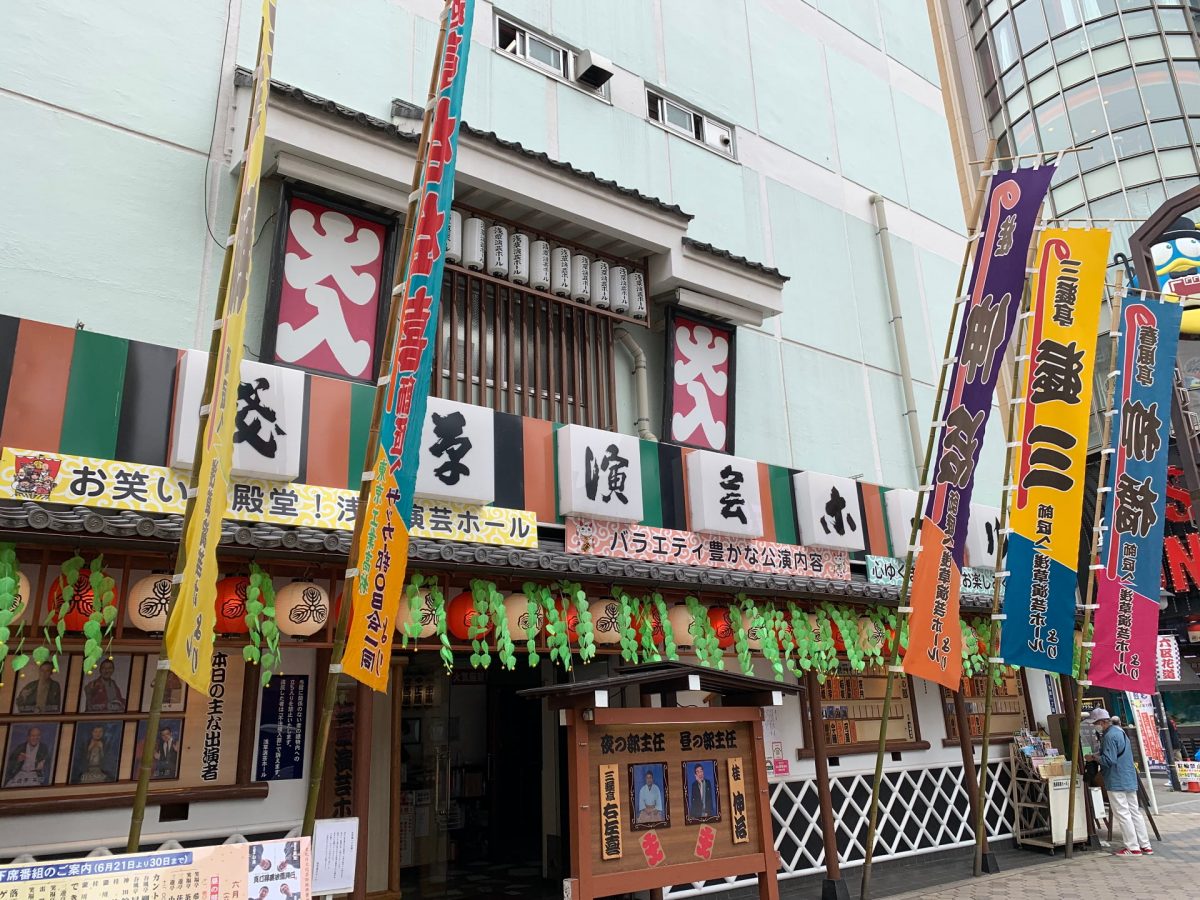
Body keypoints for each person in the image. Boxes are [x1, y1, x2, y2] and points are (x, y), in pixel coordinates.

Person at [1087, 707, 1150, 857]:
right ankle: (1145, 845)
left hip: (1116, 779)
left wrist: (1094, 758)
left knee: (1122, 813)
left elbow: (1109, 760)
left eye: (1095, 723)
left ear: (1102, 722)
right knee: (1135, 811)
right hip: (1128, 777)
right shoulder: (1120, 732)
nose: (1094, 725)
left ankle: (1132, 847)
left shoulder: (1109, 736)